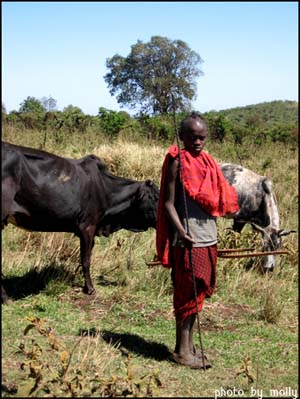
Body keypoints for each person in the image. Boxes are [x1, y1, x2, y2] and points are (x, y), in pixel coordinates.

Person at [156, 112, 239, 369]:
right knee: (186, 293)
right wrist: (180, 231)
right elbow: (168, 204)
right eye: (192, 137)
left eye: (202, 137)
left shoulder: (208, 163)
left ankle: (190, 347)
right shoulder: (176, 162)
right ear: (182, 136)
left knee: (199, 292)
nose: (198, 142)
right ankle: (182, 351)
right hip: (188, 240)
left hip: (207, 239)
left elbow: (216, 203)